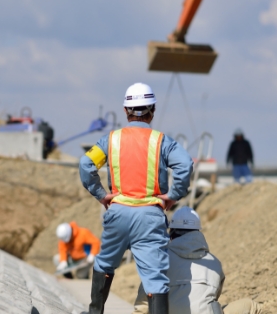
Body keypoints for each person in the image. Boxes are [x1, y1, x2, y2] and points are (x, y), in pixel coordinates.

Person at [80, 82, 193, 314]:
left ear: (125, 111)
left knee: (105, 264)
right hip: (150, 216)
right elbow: (185, 164)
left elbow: (86, 164)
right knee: (155, 278)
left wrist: (102, 195)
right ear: (153, 110)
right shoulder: (161, 141)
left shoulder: (111, 140)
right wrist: (173, 195)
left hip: (118, 211)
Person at [132, 207, 263, 314]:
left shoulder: (158, 260)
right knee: (251, 306)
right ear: (198, 233)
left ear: (171, 233)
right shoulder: (214, 263)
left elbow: (143, 305)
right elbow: (213, 296)